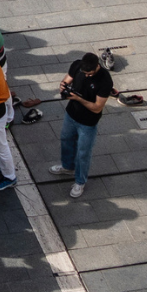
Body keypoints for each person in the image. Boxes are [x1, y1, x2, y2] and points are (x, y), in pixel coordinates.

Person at [48, 52, 111, 198]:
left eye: (89, 74)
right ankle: (67, 166)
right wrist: (63, 87)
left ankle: (80, 182)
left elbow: (97, 107)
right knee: (66, 140)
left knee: (83, 152)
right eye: (85, 73)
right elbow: (66, 80)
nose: (87, 76)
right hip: (71, 114)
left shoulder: (105, 80)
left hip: (88, 122)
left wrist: (78, 98)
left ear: (97, 66)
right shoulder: (77, 65)